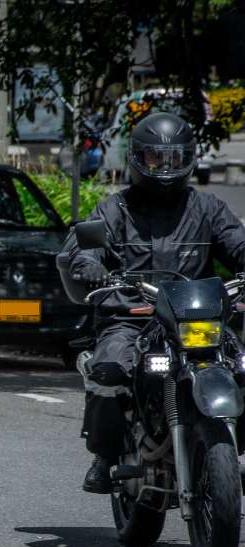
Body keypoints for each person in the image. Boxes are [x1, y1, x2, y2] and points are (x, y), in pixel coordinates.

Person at [64, 112, 245, 493]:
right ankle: (106, 454)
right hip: (132, 314)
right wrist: (91, 266)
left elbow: (237, 243)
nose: (165, 168)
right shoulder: (116, 209)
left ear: (189, 160)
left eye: (174, 159)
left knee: (240, 365)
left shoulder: (208, 209)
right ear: (136, 160)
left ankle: (227, 443)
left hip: (194, 317)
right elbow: (82, 249)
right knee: (110, 368)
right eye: (154, 160)